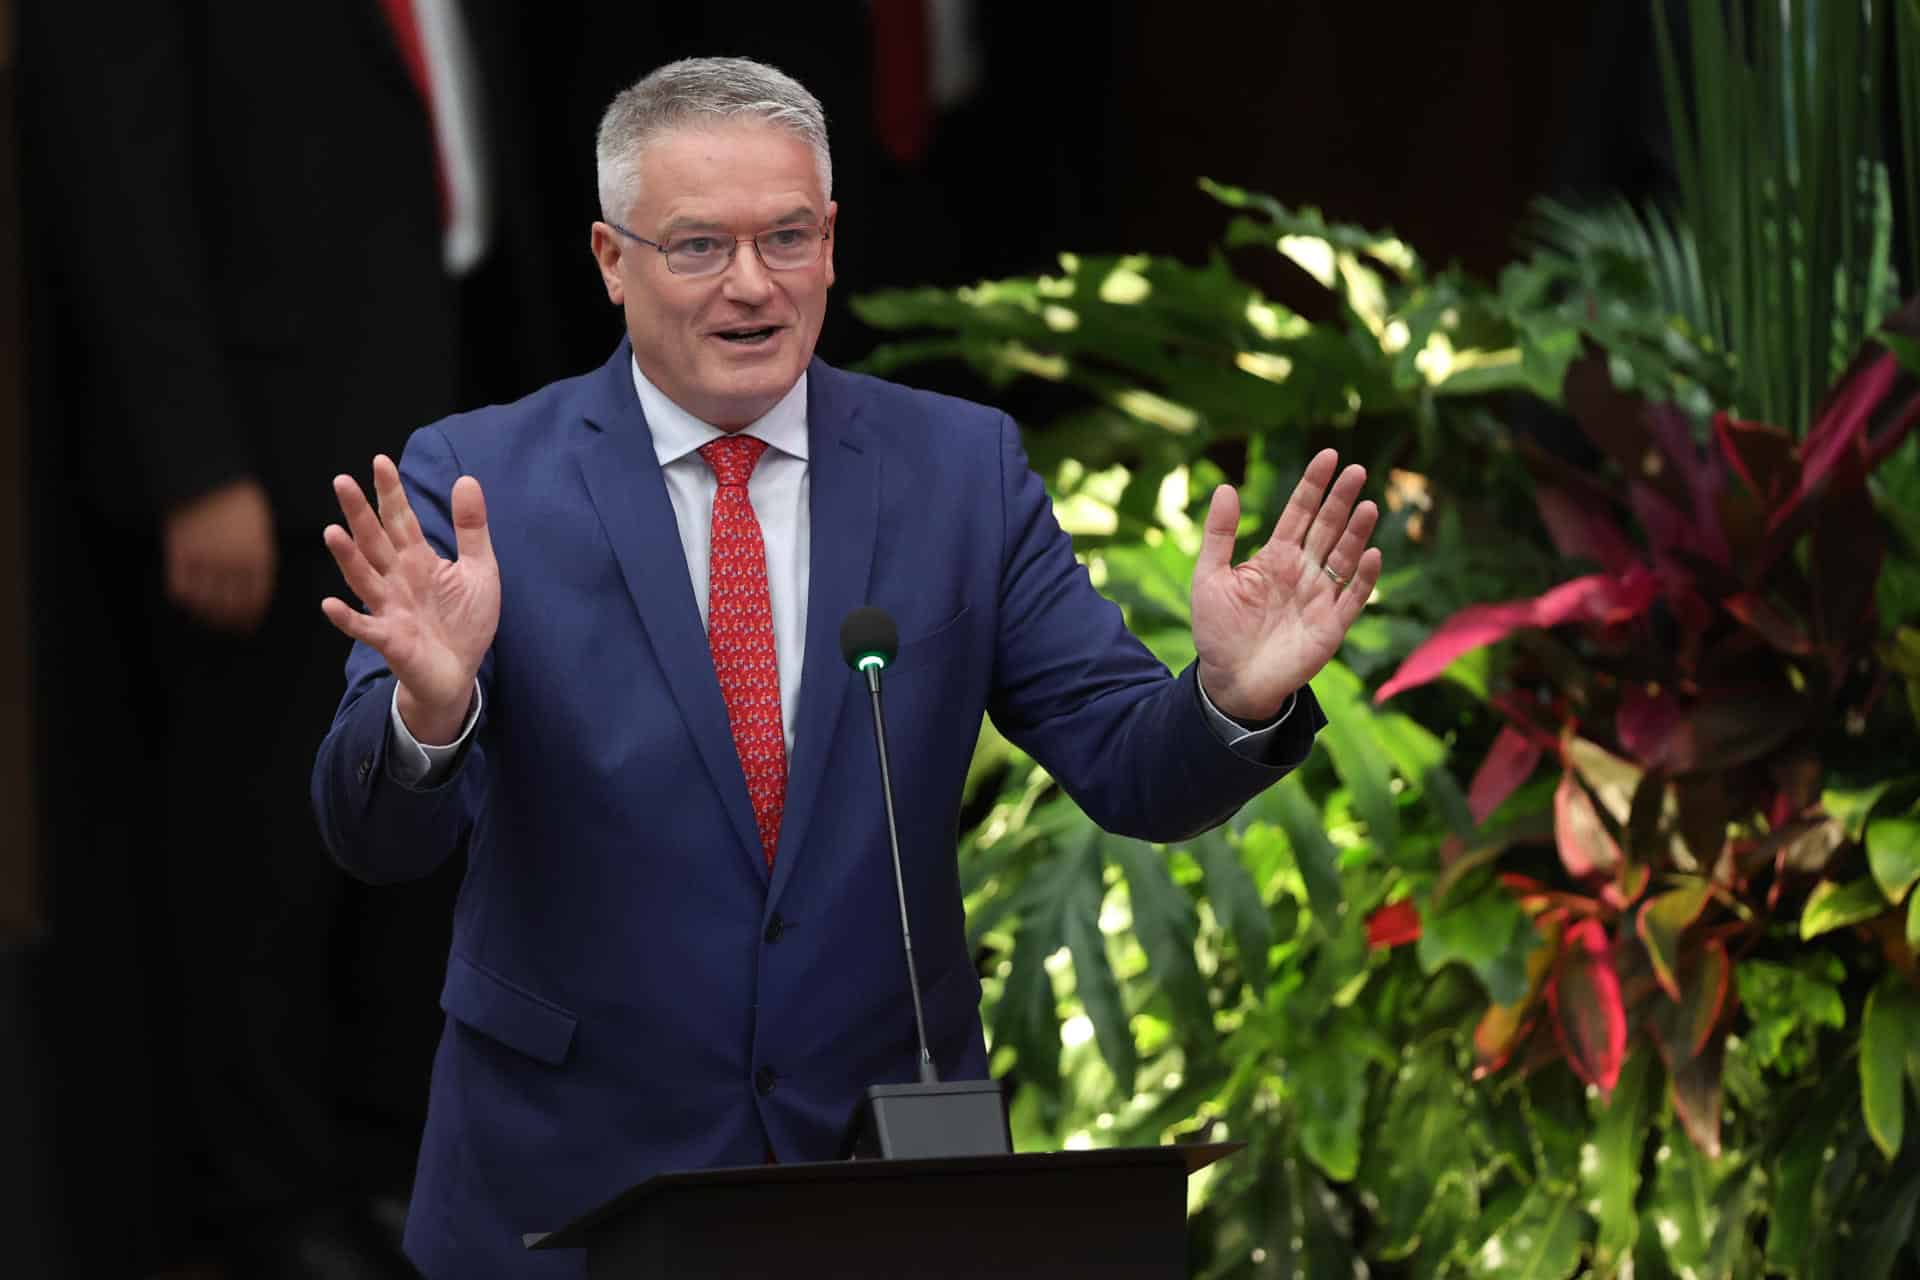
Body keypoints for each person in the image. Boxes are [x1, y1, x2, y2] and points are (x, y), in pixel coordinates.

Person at [311, 56, 1382, 1278]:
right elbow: (374, 838)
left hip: (879, 1174)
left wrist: (1233, 695)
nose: (751, 283)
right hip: (570, 1179)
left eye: (786, 237)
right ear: (611, 260)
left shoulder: (959, 469)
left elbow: (1131, 769)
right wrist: (431, 709)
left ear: (830, 241)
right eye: (698, 246)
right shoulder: (479, 480)